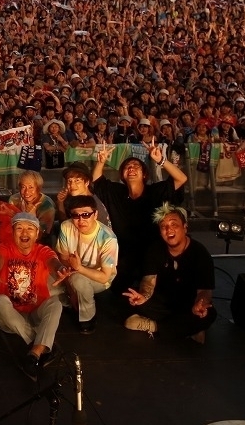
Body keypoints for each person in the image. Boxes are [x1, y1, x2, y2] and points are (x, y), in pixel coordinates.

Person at [90, 141, 187, 294]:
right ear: (122, 175)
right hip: (124, 252)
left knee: (156, 290)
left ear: (144, 174)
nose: (132, 168)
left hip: (153, 251)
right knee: (117, 293)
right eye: (127, 167)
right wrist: (101, 162)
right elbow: (97, 181)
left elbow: (181, 178)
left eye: (136, 166)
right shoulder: (117, 192)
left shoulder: (155, 191)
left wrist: (161, 160)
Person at [0, 212, 69, 379]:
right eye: (19, 228)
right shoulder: (3, 247)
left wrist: (60, 270)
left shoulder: (43, 250)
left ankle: (34, 354)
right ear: (12, 231)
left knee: (56, 304)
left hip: (35, 313)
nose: (24, 233)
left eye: (30, 229)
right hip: (10, 318)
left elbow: (53, 262)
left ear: (37, 234)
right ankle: (41, 346)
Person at [122, 204, 217, 343]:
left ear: (185, 227)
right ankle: (188, 330)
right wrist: (143, 296)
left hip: (189, 305)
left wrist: (200, 304)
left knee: (209, 314)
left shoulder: (200, 253)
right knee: (130, 302)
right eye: (163, 226)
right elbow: (149, 282)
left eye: (174, 224)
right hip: (163, 304)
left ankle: (154, 326)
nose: (169, 229)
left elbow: (205, 291)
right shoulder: (154, 250)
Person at [55, 195, 118, 334]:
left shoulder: (108, 238)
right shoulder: (66, 226)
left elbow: (104, 277)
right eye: (76, 216)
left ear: (95, 214)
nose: (81, 220)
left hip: (99, 277)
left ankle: (88, 317)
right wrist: (68, 269)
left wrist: (78, 269)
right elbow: (63, 256)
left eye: (86, 215)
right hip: (72, 269)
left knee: (78, 280)